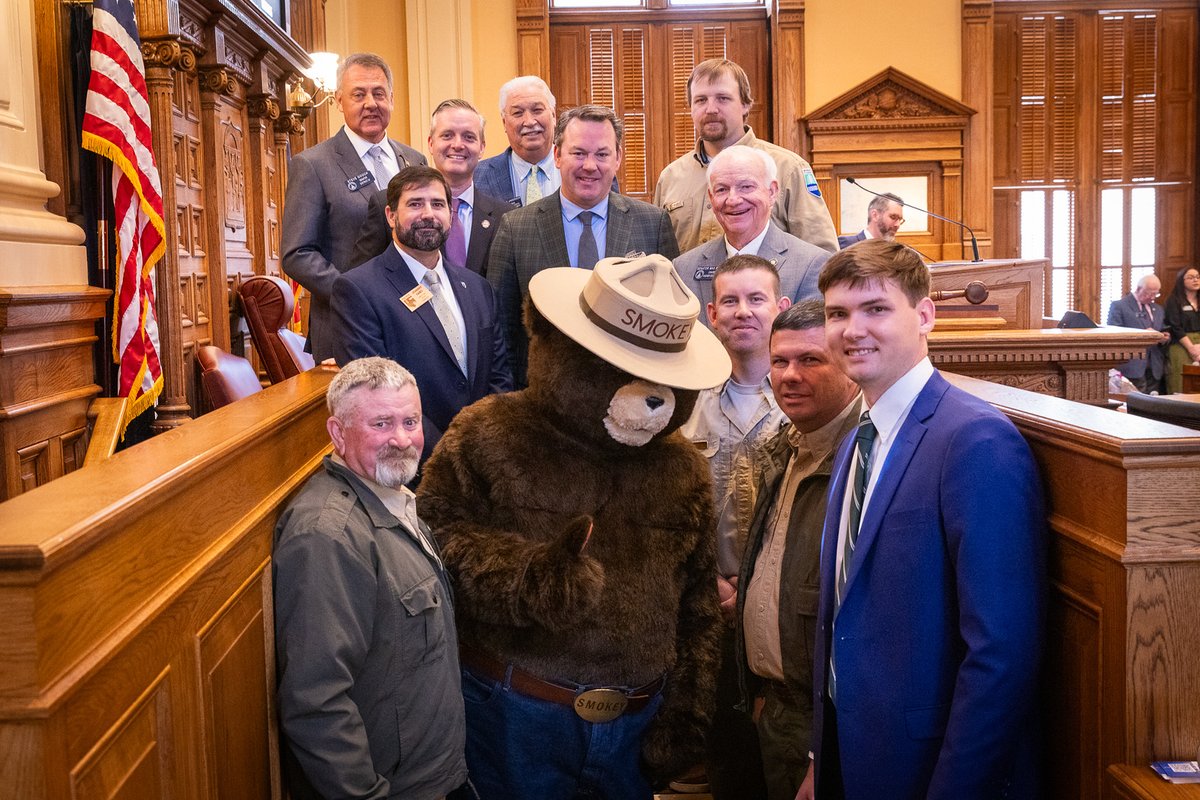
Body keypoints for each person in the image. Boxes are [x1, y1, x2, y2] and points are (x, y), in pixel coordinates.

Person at [809, 239, 1045, 800]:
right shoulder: (856, 440)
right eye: (837, 314)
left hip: (928, 766)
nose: (852, 329)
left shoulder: (973, 440)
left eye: (876, 309)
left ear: (925, 315)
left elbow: (1000, 653)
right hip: (852, 752)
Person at [274, 357, 468, 800]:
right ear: (338, 434)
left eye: (411, 421)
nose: (402, 439)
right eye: (381, 424)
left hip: (437, 775)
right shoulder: (328, 537)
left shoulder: (393, 495)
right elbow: (317, 703)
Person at [734, 299, 861, 800]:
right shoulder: (785, 446)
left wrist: (820, 748)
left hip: (826, 725)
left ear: (849, 365)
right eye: (780, 360)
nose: (789, 375)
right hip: (775, 709)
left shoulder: (865, 459)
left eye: (810, 360)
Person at [677, 255, 792, 798]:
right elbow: (675, 507)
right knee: (728, 761)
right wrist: (712, 582)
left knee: (785, 758)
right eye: (730, 301)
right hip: (711, 604)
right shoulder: (686, 405)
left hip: (785, 613)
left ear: (781, 307)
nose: (743, 312)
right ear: (711, 313)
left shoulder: (803, 397)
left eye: (756, 299)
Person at [331, 166, 512, 468]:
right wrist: (451, 461)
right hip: (412, 468)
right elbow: (377, 395)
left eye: (438, 204)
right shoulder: (358, 290)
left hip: (484, 463)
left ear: (451, 215)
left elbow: (499, 377)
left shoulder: (478, 288)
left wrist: (486, 448)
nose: (428, 214)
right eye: (415, 204)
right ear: (390, 215)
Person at [488, 104, 679, 387]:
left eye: (602, 154)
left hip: (632, 399)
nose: (590, 165)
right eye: (578, 153)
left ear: (618, 159)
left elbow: (671, 323)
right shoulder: (516, 228)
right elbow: (501, 332)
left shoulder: (652, 224)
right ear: (557, 155)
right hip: (546, 404)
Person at [281, 52, 427, 361]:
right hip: (346, 326)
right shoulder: (313, 165)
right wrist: (355, 294)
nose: (370, 103)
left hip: (412, 323)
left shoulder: (414, 161)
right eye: (358, 94)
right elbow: (297, 254)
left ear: (392, 98)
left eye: (378, 93)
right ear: (338, 101)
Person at [653, 58, 838, 255]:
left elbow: (822, 255)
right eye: (701, 100)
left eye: (723, 98)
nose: (711, 109)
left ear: (745, 105)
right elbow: (658, 260)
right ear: (691, 108)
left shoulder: (788, 168)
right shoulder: (670, 178)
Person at [348, 99, 513, 275]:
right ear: (431, 144)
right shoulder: (387, 204)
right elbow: (360, 279)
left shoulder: (505, 217)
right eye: (447, 135)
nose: (457, 145)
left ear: (481, 148)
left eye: (469, 137)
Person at [674, 146, 830, 323]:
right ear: (711, 197)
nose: (733, 200)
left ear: (772, 192)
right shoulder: (684, 269)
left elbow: (810, 344)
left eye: (746, 187)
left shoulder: (812, 265)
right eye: (722, 190)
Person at [474, 76, 560, 205]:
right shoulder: (477, 177)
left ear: (553, 116)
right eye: (518, 113)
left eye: (537, 110)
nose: (529, 122)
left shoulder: (577, 169)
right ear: (504, 123)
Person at [1107, 274, 1168, 394]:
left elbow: (1163, 329)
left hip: (1154, 365)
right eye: (1149, 293)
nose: (1152, 297)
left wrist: (1164, 337)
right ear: (1138, 289)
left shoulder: (1158, 309)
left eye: (1155, 294)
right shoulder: (1119, 306)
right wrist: (1143, 335)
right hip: (1131, 364)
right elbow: (1114, 332)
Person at [1164, 267, 1200, 394]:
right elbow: (1175, 327)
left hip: (1199, 343)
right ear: (1181, 280)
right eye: (1191, 277)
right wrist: (1191, 348)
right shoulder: (1173, 300)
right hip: (1181, 343)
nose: (1195, 280)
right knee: (1180, 380)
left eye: (1197, 276)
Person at [837, 193, 904, 249]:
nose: (897, 225)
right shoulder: (848, 244)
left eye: (900, 219)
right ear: (875, 215)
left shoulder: (893, 250)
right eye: (893, 217)